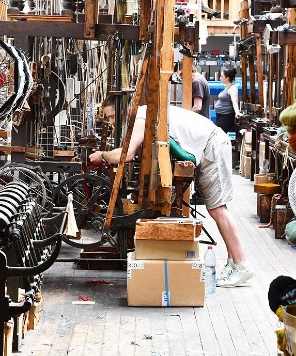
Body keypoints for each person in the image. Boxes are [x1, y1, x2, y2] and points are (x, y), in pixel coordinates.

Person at [89, 97, 254, 288]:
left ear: (124, 111)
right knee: (217, 209)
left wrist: (102, 156)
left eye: (111, 117)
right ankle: (234, 264)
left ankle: (241, 265)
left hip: (213, 145)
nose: (111, 122)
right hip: (211, 146)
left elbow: (127, 154)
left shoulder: (142, 115)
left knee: (218, 210)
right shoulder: (144, 113)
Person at [214, 66, 241, 133]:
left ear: (227, 78)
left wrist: (237, 112)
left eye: (222, 77)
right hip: (220, 116)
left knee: (219, 135)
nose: (220, 78)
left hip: (225, 117)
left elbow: (234, 101)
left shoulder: (232, 88)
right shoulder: (226, 87)